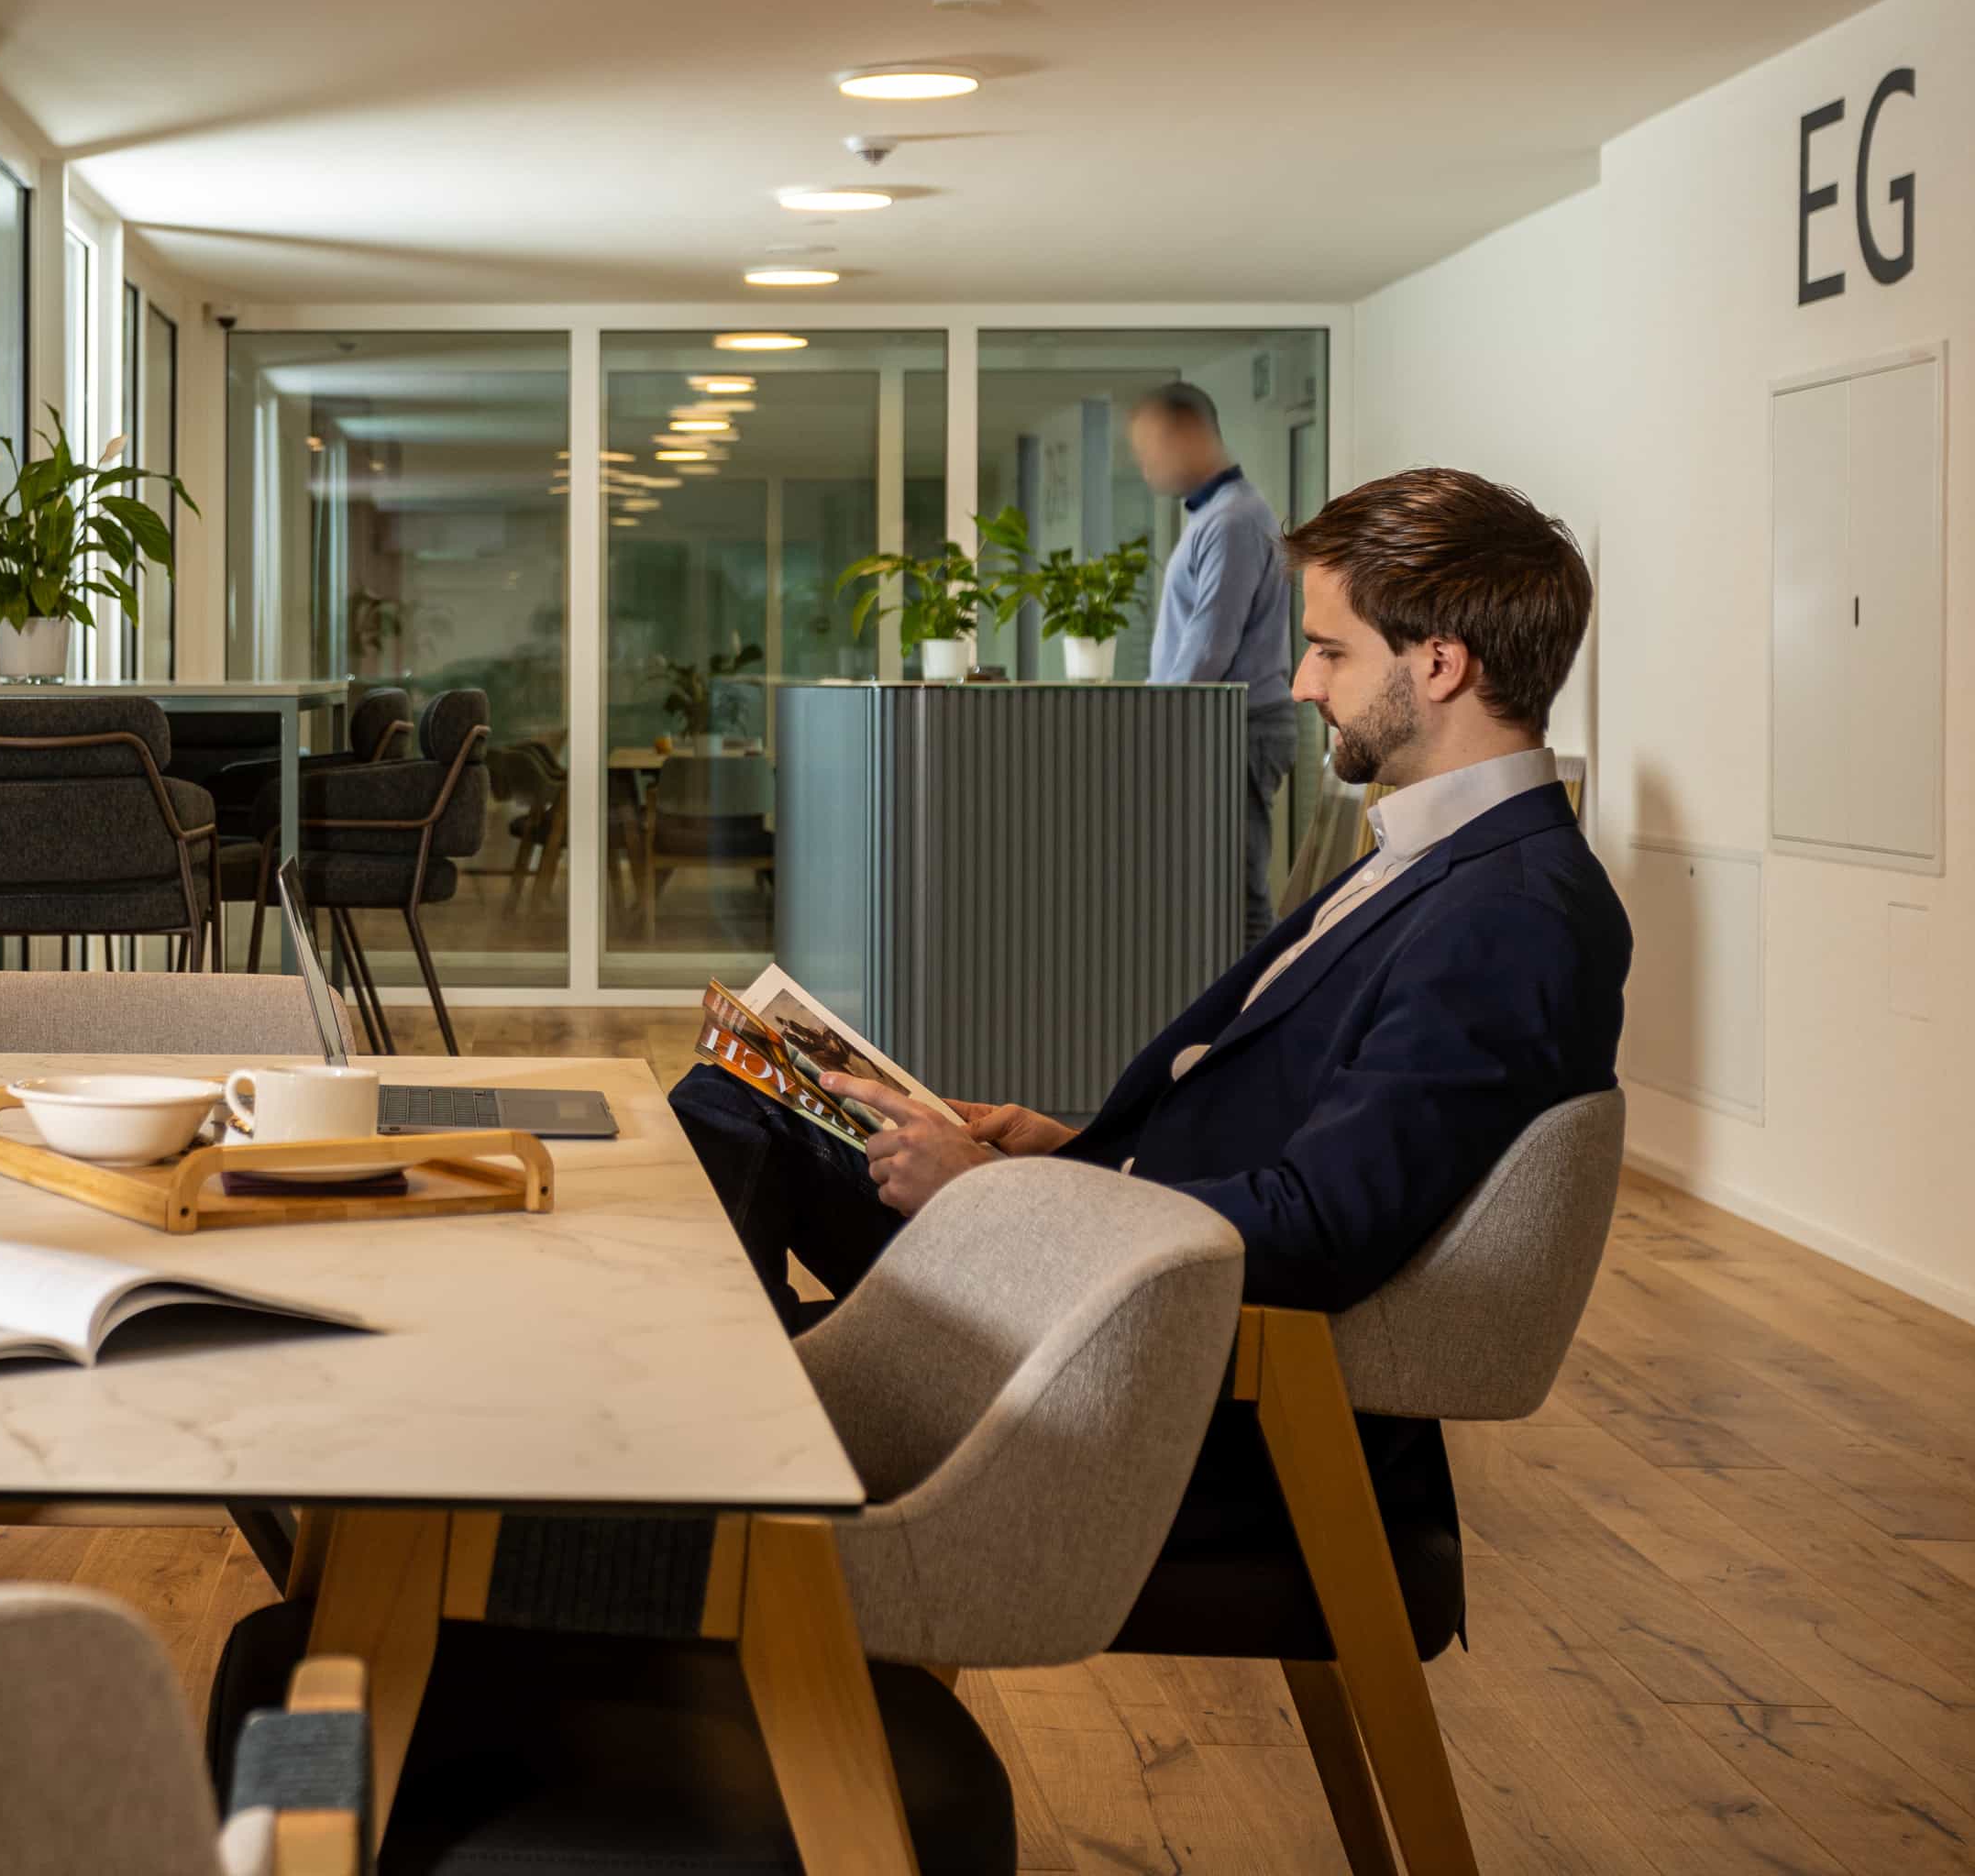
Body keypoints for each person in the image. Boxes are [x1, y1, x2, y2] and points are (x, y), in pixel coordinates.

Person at [672, 464, 1627, 1551]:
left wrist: (1001, 1195)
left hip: (1161, 1348)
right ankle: (708, 1446)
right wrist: (1068, 1150)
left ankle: (695, 1482)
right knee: (751, 1086)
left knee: (730, 1139)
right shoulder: (1443, 863)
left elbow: (1321, 1231)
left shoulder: (1509, 914)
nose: (1305, 685)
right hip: (1126, 1258)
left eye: (1329, 651)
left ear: (1441, 664)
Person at [1129, 381, 1298, 944]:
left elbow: (1208, 648)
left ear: (1190, 434)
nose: (1146, 463)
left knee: (1239, 898)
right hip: (1226, 730)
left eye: (1151, 446)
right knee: (1220, 892)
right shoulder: (1217, 515)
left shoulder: (1232, 520)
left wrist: (1152, 723)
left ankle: (1258, 1027)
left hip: (1241, 731)